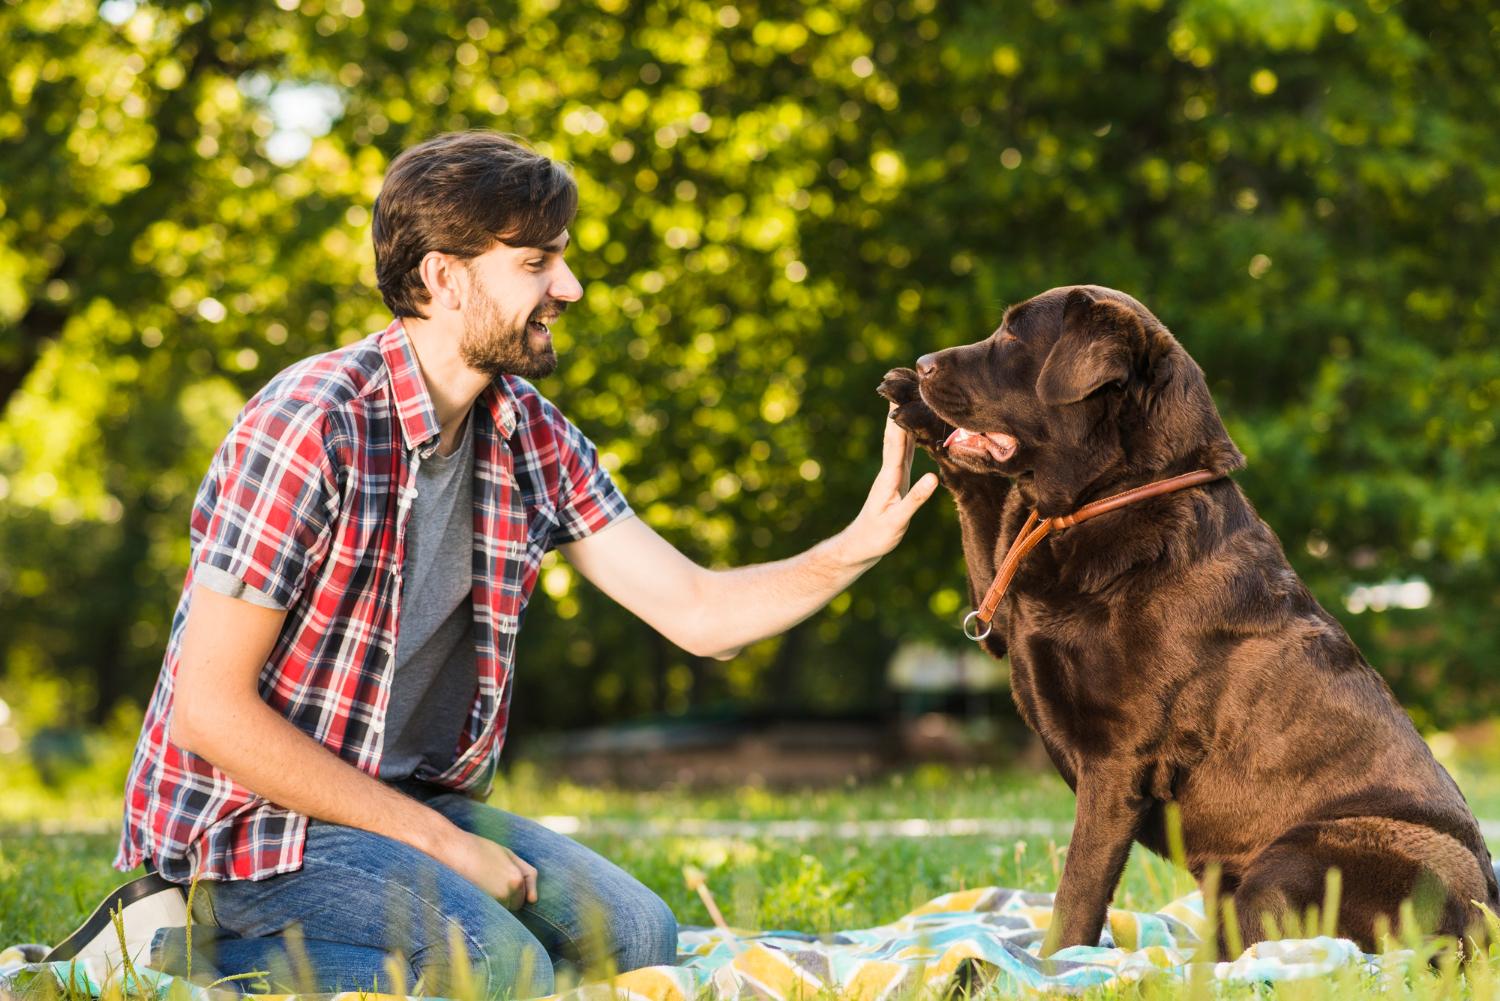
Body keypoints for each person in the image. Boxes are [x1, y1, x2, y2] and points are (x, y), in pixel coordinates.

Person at [70, 131, 937, 997]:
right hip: (254, 825)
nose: (570, 286)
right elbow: (210, 711)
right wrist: (443, 844)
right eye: (536, 262)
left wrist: (850, 548)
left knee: (638, 937)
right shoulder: (313, 424)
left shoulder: (530, 434)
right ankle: (163, 949)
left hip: (398, 801)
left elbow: (700, 613)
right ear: (444, 278)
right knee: (497, 967)